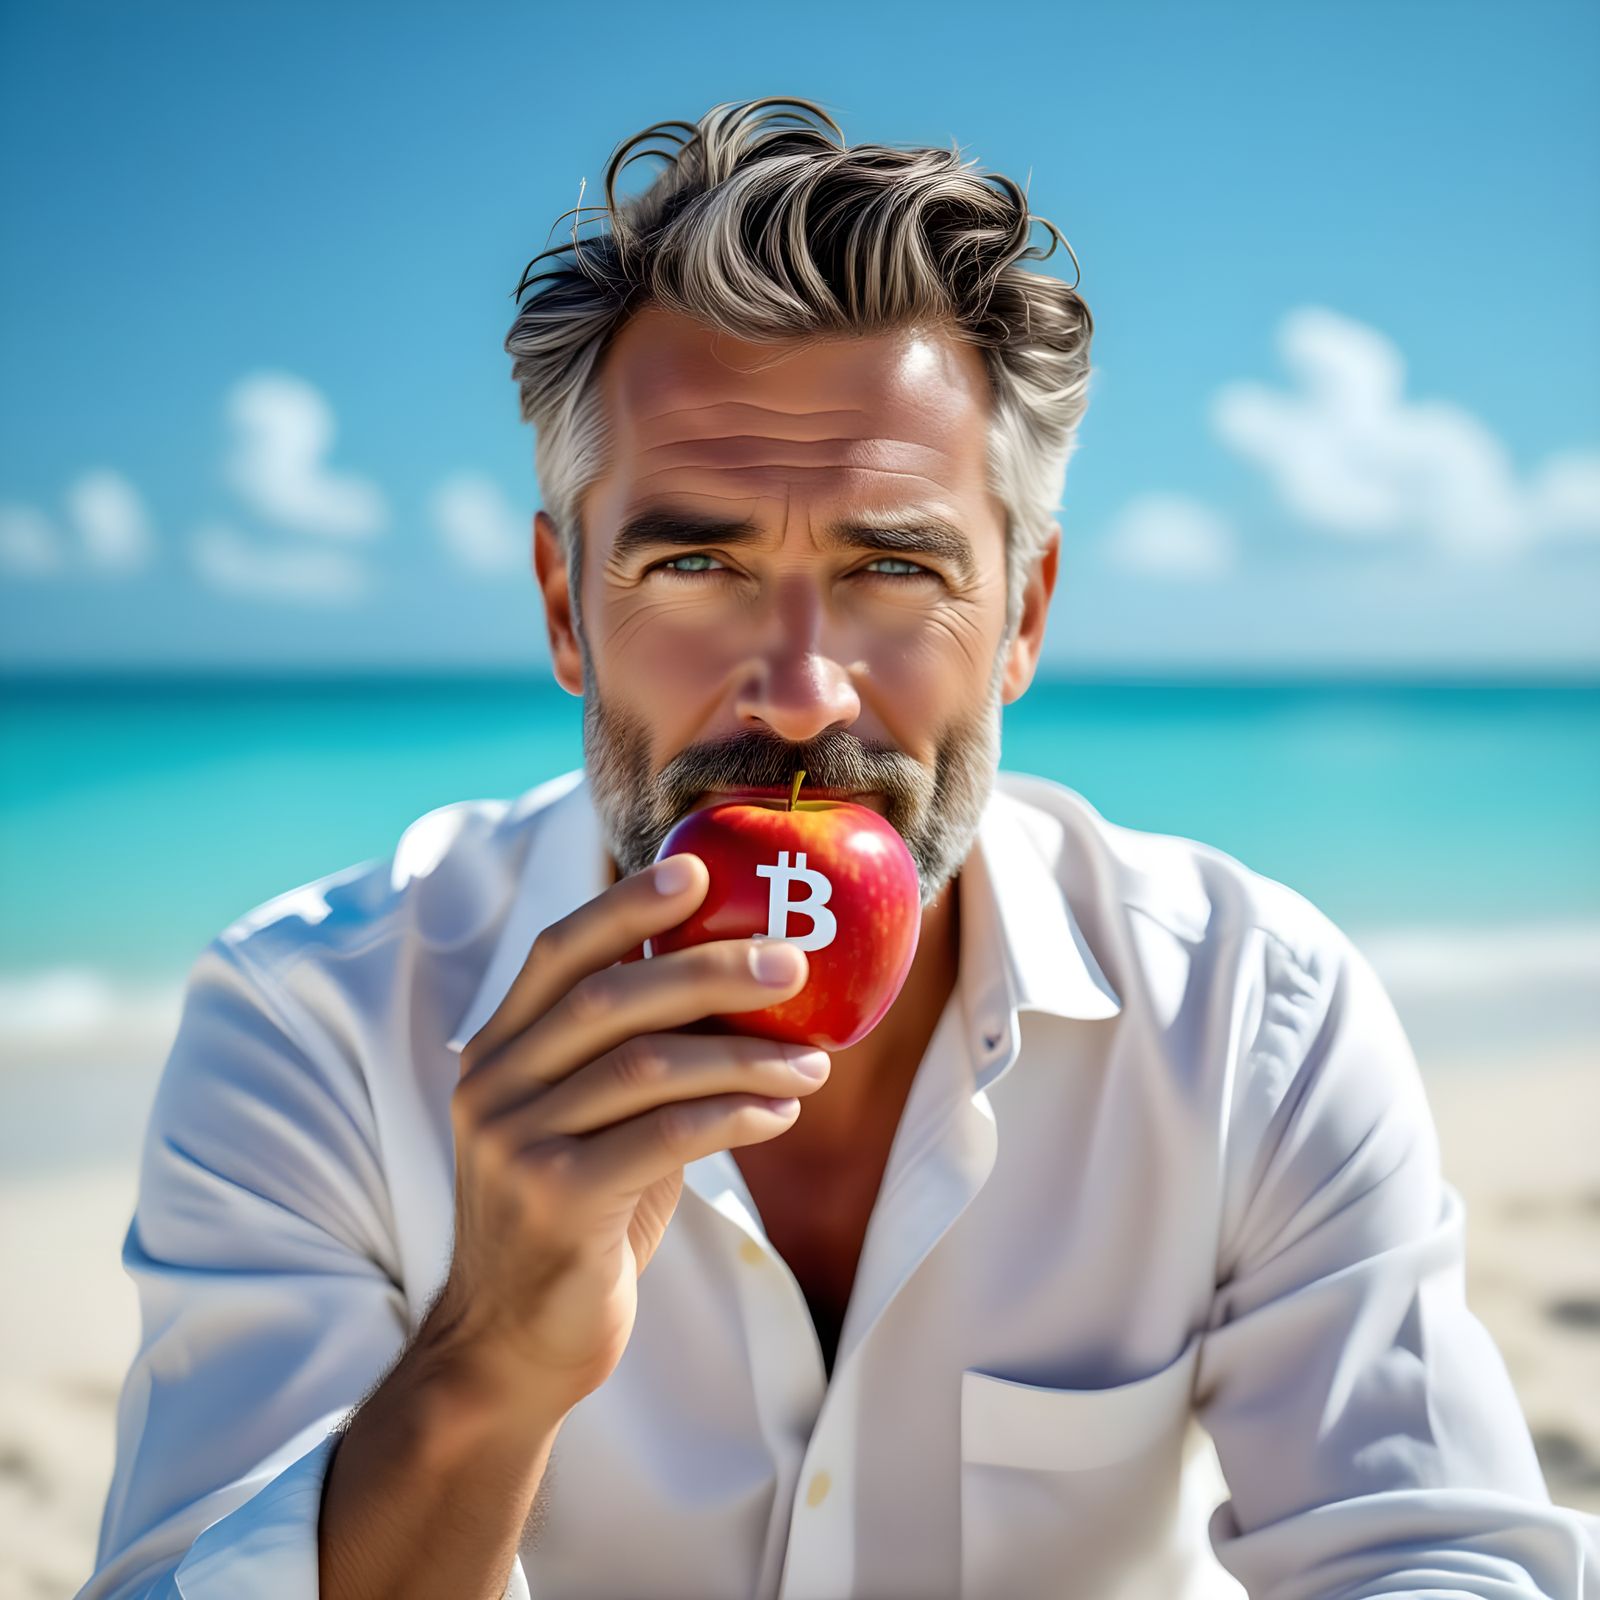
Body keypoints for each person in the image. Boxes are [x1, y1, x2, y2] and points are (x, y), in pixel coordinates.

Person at [78, 96, 1598, 1600]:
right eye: (695, 562)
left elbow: (1434, 1557)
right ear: (563, 607)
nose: (801, 696)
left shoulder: (1251, 1019)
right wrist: (489, 1359)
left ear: (1025, 616)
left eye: (890, 565)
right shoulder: (316, 1026)